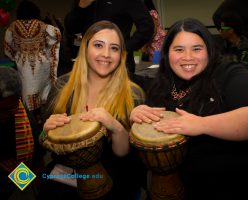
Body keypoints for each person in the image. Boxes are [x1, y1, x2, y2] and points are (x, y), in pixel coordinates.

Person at [130, 18, 248, 200]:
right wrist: (138, 115)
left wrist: (201, 124)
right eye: (179, 49)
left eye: (197, 49)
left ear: (209, 50)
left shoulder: (228, 73)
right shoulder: (162, 85)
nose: (188, 57)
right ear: (167, 53)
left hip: (246, 183)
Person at [37, 20, 146, 200]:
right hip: (68, 172)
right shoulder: (63, 86)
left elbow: (124, 155)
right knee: (45, 186)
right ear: (85, 48)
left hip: (113, 171)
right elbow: (43, 142)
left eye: (114, 48)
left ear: (121, 55)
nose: (106, 54)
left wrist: (115, 126)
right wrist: (46, 133)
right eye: (98, 45)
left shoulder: (133, 94)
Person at [4, 0, 61, 127]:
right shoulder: (44, 26)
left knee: (27, 93)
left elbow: (8, 48)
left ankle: (30, 123)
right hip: (42, 66)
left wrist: (17, 56)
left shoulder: (12, 27)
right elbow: (56, 35)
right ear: (36, 11)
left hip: (24, 67)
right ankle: (42, 119)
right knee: (43, 92)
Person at [64, 0, 154, 79]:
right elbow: (71, 28)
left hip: (118, 66)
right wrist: (81, 7)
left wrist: (123, 49)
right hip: (87, 64)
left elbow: (147, 27)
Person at [0, 67, 45, 199]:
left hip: (12, 169)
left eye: (9, 109)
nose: (3, 115)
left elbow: (37, 161)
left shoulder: (25, 122)